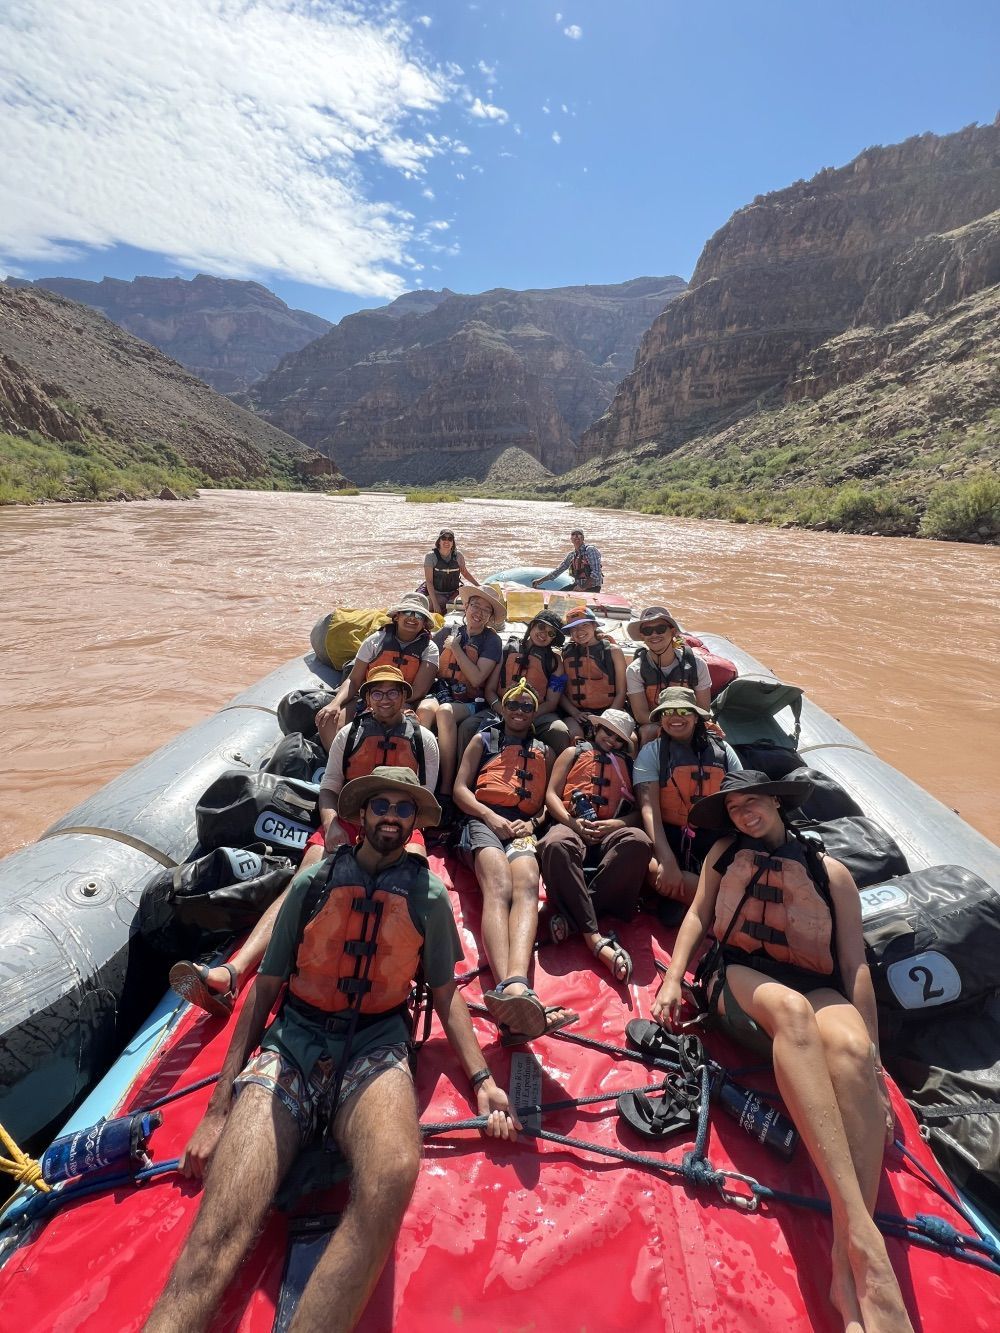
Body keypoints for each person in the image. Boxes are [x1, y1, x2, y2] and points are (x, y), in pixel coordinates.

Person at [147, 768, 519, 1333]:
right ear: (362, 815)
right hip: (293, 1043)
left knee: (393, 1172)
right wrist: (219, 1109)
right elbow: (265, 990)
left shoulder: (430, 897)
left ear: (414, 823)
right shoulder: (312, 884)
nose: (391, 816)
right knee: (218, 1228)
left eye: (403, 808)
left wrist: (482, 1079)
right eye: (381, 806)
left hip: (376, 1049)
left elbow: (445, 994)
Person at [652, 771, 913, 1333]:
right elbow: (700, 916)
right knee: (792, 1013)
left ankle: (845, 1272)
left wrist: (875, 1070)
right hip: (740, 981)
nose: (746, 814)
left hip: (811, 982)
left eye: (754, 803)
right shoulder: (724, 855)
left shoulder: (830, 873)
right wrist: (673, 978)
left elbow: (854, 965)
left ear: (776, 802)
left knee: (848, 1049)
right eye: (737, 807)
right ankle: (869, 1252)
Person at [168, 667, 440, 1020]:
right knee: (302, 883)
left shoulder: (424, 740)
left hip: (397, 823)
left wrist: (397, 842)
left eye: (393, 692)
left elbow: (426, 800)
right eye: (377, 692)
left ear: (405, 697)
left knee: (415, 883)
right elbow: (328, 789)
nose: (385, 699)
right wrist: (331, 826)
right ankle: (232, 973)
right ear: (368, 698)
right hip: (348, 819)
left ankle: (412, 976)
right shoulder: (349, 735)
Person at [453, 679, 576, 1042]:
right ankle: (510, 990)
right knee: (500, 886)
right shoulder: (483, 740)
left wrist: (533, 822)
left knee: (525, 885)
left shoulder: (543, 752)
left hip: (522, 828)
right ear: (503, 708)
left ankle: (517, 988)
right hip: (483, 821)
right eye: (514, 705)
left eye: (527, 707)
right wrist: (491, 817)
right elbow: (460, 789)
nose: (520, 711)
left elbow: (543, 806)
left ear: (534, 713)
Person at [539, 708, 651, 985]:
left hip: (608, 830)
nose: (610, 741)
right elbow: (551, 795)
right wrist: (573, 823)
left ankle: (574, 920)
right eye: (607, 733)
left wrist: (617, 825)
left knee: (639, 842)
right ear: (596, 730)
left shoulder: (629, 765)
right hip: (574, 824)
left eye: (618, 739)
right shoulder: (572, 753)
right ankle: (594, 934)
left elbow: (638, 812)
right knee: (555, 843)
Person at [635, 686, 742, 908]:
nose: (675, 718)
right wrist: (666, 859)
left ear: (695, 717)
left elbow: (740, 797)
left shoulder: (724, 751)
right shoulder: (651, 752)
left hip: (715, 838)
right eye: (667, 712)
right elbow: (649, 809)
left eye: (683, 712)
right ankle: (718, 903)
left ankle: (708, 901)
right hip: (670, 837)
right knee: (653, 869)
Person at [418, 583, 505, 822]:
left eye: (485, 610)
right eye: (475, 605)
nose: (478, 612)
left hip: (471, 700)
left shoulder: (491, 641)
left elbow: (477, 678)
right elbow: (429, 660)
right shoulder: (447, 631)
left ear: (490, 617)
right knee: (424, 711)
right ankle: (420, 780)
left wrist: (456, 648)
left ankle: (445, 788)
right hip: (443, 692)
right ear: (465, 606)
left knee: (444, 713)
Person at [316, 593, 439, 749]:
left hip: (405, 701)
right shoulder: (375, 640)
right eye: (407, 612)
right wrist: (335, 704)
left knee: (395, 726)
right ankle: (337, 767)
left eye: (419, 615)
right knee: (328, 720)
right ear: (397, 616)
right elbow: (353, 680)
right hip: (371, 698)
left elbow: (419, 691)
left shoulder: (430, 648)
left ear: (424, 623)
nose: (412, 618)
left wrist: (387, 703)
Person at [470, 610, 570, 757]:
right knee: (468, 727)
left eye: (551, 633)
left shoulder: (555, 662)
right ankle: (469, 774)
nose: (544, 634)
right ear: (532, 626)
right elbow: (490, 691)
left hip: (536, 714)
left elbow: (551, 702)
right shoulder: (506, 650)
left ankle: (552, 776)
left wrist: (525, 715)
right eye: (541, 627)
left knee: (559, 731)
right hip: (501, 711)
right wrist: (506, 712)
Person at [626, 606, 712, 744]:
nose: (654, 635)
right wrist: (670, 723)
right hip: (655, 722)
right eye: (647, 631)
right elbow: (641, 716)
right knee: (647, 732)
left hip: (689, 721)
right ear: (642, 636)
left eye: (660, 629)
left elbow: (703, 708)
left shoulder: (697, 664)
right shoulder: (635, 670)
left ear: (672, 631)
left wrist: (682, 723)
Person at [558, 605, 627, 741]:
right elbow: (559, 691)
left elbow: (621, 691)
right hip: (576, 713)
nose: (579, 631)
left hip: (609, 711)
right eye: (574, 628)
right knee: (575, 737)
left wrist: (607, 719)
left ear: (594, 625)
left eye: (584, 625)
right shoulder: (566, 653)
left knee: (629, 739)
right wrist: (575, 713)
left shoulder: (613, 651)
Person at [422, 529, 480, 616]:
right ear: (439, 541)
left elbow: (465, 573)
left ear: (453, 543)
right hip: (437, 593)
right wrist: (435, 604)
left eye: (450, 539)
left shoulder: (459, 556)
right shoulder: (430, 556)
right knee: (429, 608)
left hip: (454, 592)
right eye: (444, 538)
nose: (447, 541)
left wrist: (478, 586)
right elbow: (429, 582)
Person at [531, 528, 603, 592]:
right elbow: (558, 570)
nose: (576, 536)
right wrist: (540, 580)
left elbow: (596, 572)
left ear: (583, 538)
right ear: (571, 539)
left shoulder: (590, 550)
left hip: (592, 588)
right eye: (574, 535)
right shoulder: (571, 555)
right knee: (558, 595)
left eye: (579, 535)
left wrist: (583, 587)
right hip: (577, 586)